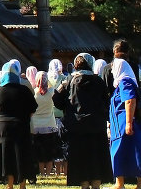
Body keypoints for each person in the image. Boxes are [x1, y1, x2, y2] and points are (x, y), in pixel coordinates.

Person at [53, 52, 111, 189]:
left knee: (81, 158)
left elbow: (56, 100)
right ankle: (96, 185)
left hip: (76, 127)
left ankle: (84, 185)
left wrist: (67, 109)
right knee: (96, 157)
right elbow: (107, 101)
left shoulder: (68, 81)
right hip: (97, 126)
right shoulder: (99, 81)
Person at [0, 61, 37, 189]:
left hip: (3, 127)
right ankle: (22, 185)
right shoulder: (24, 90)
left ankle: (9, 185)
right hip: (21, 125)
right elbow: (33, 109)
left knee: (6, 156)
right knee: (22, 154)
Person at [107, 43, 141, 189]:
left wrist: (129, 123)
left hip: (126, 124)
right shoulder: (126, 80)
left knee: (122, 152)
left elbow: (130, 100)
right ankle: (138, 184)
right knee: (135, 152)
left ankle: (121, 184)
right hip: (125, 123)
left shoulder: (125, 81)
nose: (112, 71)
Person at [31, 71, 62, 178]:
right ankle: (48, 173)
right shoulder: (51, 91)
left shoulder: (34, 93)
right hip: (50, 124)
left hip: (36, 126)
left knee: (39, 152)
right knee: (49, 152)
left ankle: (42, 173)